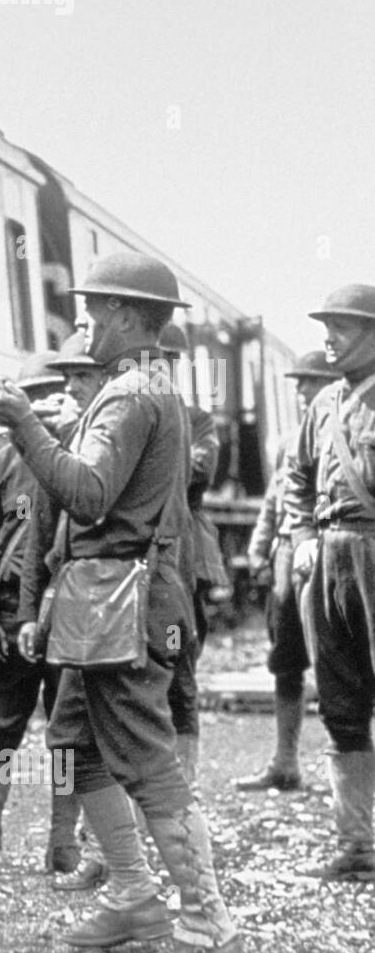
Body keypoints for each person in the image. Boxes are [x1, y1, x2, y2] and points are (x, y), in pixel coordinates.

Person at [0, 251, 244, 953]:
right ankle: (134, 894)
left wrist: (24, 425)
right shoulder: (146, 389)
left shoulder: (129, 397)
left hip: (124, 606)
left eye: (96, 308)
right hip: (105, 602)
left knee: (149, 763)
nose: (85, 320)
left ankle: (207, 924)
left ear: (129, 315)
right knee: (77, 741)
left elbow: (90, 495)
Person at [0, 349, 89, 881]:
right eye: (33, 399)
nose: (42, 409)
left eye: (52, 398)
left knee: (68, 732)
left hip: (65, 616)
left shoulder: (78, 467)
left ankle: (64, 843)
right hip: (10, 615)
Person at [285, 286, 375, 881]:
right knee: (340, 701)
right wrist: (300, 540)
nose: (328, 337)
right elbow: (296, 479)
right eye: (326, 326)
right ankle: (359, 846)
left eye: (340, 326)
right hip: (329, 555)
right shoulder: (323, 406)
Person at [237, 350, 336, 793]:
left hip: (329, 557)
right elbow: (275, 503)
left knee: (342, 664)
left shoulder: (344, 433)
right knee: (286, 660)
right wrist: (259, 548)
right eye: (297, 384)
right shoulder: (289, 441)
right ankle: (285, 762)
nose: (300, 392)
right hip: (285, 561)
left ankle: (349, 770)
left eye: (308, 382)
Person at [157, 322, 227, 789]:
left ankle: (182, 786)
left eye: (162, 360)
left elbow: (199, 470)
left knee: (179, 669)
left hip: (181, 554)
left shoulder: (196, 420)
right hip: (128, 556)